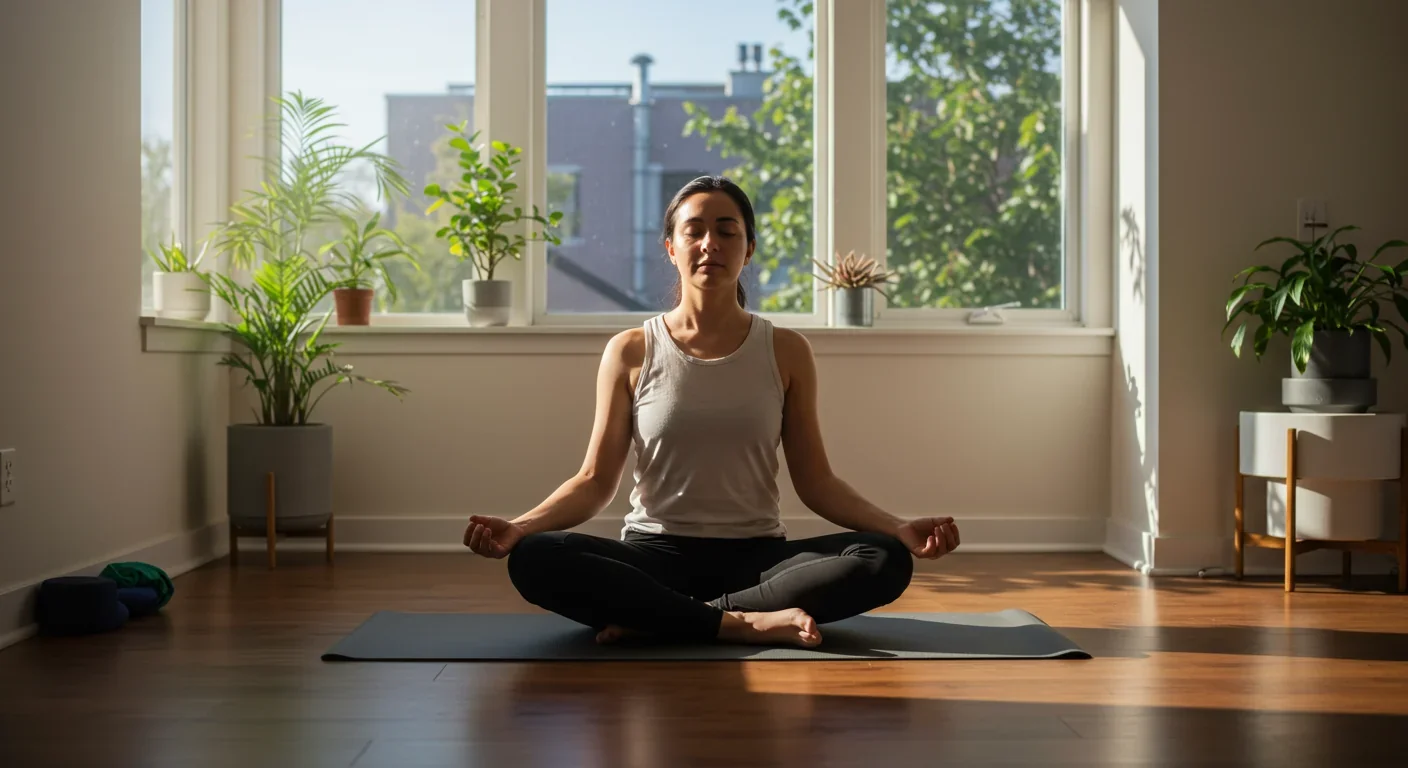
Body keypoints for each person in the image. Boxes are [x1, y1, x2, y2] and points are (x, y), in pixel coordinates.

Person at [462, 176, 961, 648]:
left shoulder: (786, 350)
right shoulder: (631, 349)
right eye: (694, 231)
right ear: (671, 248)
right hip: (652, 554)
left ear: (749, 249)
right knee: (536, 557)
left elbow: (817, 482)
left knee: (883, 559)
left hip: (757, 559)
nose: (710, 244)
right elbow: (594, 480)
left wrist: (897, 527)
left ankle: (661, 619)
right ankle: (734, 623)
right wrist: (521, 527)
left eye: (727, 231)